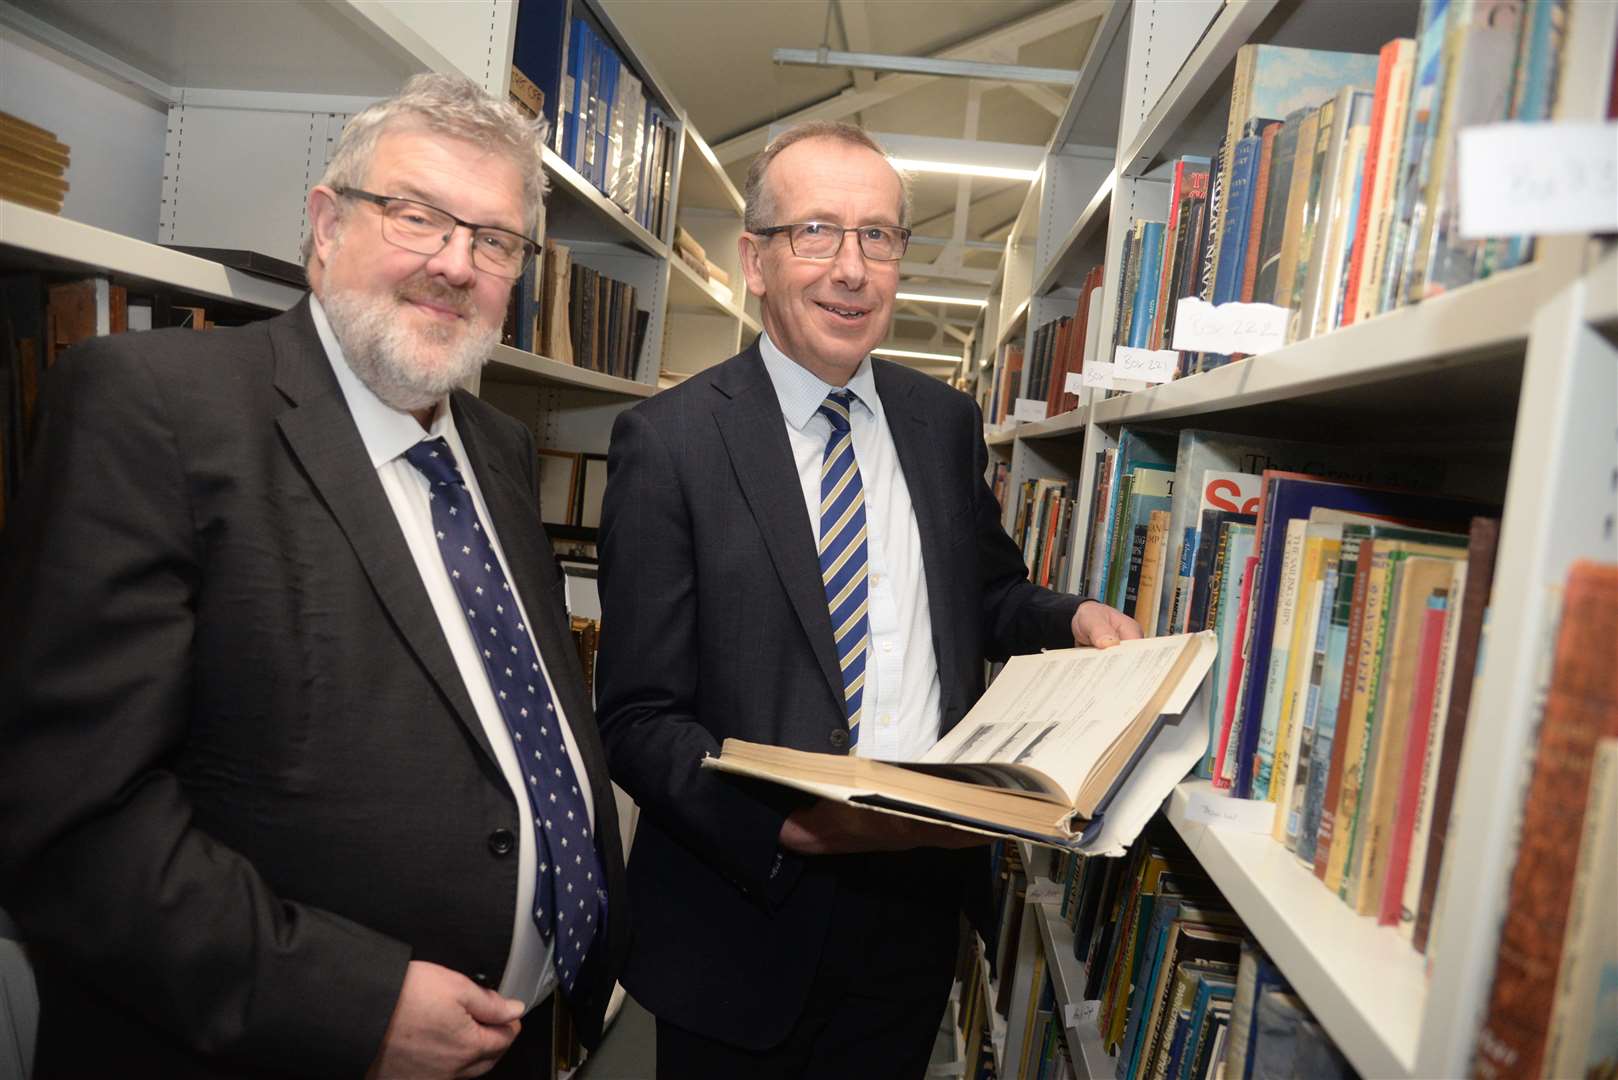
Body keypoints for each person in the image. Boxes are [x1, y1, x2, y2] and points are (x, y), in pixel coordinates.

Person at [0, 73, 625, 1079]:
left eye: (495, 240)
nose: (455, 265)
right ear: (326, 225)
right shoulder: (151, 407)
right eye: (417, 217)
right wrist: (354, 1005)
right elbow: (73, 823)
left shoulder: (499, 452)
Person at [594, 120, 1141, 1078]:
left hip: (915, 908)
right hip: (742, 920)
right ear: (755, 260)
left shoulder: (942, 424)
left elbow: (985, 591)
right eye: (817, 233)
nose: (851, 268)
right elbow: (637, 716)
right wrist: (785, 827)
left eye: (879, 236)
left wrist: (1070, 621)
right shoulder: (669, 443)